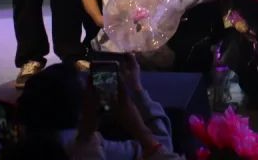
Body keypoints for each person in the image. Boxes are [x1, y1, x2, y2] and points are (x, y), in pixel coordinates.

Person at [14, 55, 180, 160]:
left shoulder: (21, 145)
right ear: (81, 109)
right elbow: (162, 147)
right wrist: (137, 89)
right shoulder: (87, 145)